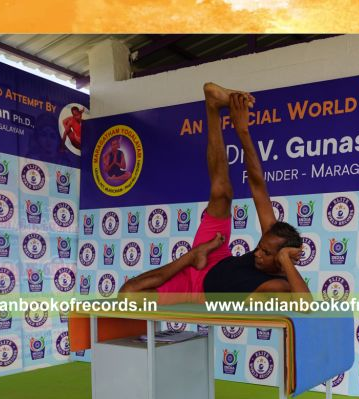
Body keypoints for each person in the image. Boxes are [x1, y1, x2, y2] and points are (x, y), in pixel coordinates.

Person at [119, 83, 311, 304]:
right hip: (215, 255)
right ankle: (212, 106)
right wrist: (242, 131)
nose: (257, 253)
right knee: (221, 193)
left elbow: (305, 305)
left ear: (281, 259)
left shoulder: (279, 286)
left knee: (128, 296)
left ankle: (191, 256)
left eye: (266, 253)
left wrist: (286, 260)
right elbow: (258, 185)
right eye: (259, 247)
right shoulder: (272, 237)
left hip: (194, 289)